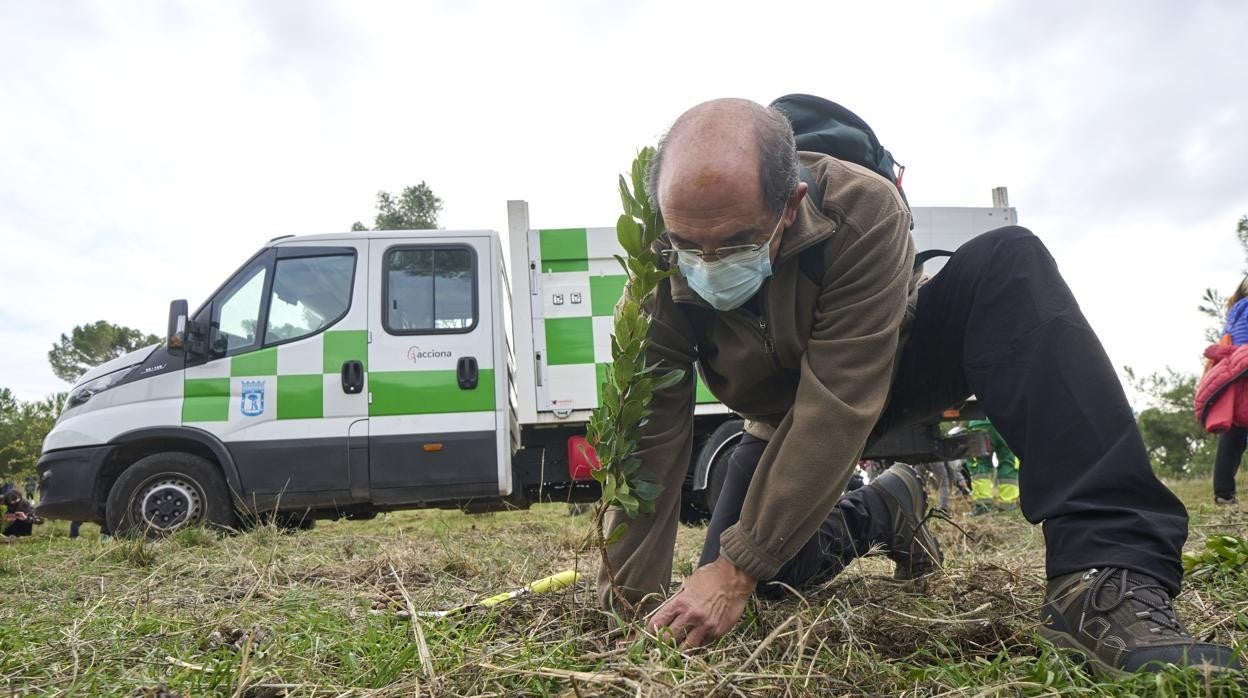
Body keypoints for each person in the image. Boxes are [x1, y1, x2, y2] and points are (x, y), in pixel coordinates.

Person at [598, 98, 1236, 676]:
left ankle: (1103, 576)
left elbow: (839, 401)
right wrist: (631, 602)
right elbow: (652, 436)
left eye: (736, 242)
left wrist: (735, 567)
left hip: (892, 366)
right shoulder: (657, 265)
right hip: (777, 419)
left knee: (1008, 262)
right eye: (689, 245)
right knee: (767, 577)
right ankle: (887, 507)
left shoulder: (862, 207)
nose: (708, 264)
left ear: (790, 204)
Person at [1212, 277, 1248, 505]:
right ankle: (1224, 491)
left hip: (1233, 375)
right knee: (1236, 434)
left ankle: (1223, 492)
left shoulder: (1235, 309)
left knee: (1234, 433)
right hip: (1244, 368)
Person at [966, 418, 1020, 514]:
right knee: (1009, 463)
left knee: (979, 464)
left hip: (979, 421)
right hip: (1007, 421)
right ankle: (1008, 506)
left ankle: (982, 506)